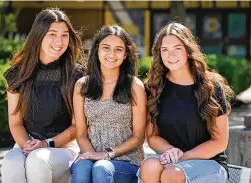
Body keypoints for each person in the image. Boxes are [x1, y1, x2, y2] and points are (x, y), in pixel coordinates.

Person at [138, 22, 234, 183]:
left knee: (172, 174)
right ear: (159, 54)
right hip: (172, 158)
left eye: (177, 48)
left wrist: (184, 157)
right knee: (149, 167)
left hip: (209, 163)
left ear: (188, 51)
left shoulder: (211, 86)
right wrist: (171, 151)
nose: (171, 55)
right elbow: (152, 137)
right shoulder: (153, 88)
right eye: (165, 50)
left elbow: (219, 142)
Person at [1, 8, 85, 183]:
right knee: (11, 161)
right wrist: (27, 145)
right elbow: (15, 122)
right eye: (52, 34)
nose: (59, 41)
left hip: (64, 148)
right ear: (39, 36)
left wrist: (47, 144)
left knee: (38, 161)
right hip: (28, 143)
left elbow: (78, 127)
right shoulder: (18, 74)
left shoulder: (77, 75)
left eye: (64, 35)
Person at [71, 25, 146, 183]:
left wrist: (106, 155)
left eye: (118, 49)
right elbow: (81, 134)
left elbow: (138, 137)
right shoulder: (82, 86)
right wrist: (92, 156)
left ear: (125, 54)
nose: (112, 54)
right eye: (106, 48)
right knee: (82, 168)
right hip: (91, 155)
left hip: (127, 161)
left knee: (102, 168)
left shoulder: (134, 86)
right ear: (97, 50)